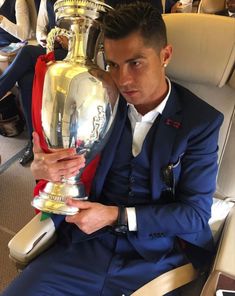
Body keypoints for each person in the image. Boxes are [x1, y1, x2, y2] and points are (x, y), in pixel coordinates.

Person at [3, 2, 224, 295]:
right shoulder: (99, 101)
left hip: (157, 255)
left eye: (136, 63)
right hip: (86, 244)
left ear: (165, 55)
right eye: (113, 65)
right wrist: (43, 168)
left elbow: (194, 214)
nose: (123, 80)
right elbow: (68, 169)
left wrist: (113, 216)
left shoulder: (200, 121)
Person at [0, 0, 67, 166]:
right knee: (26, 79)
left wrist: (70, 42)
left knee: (27, 51)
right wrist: (46, 40)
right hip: (50, 48)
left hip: (71, 54)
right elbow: (39, 29)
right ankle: (33, 141)